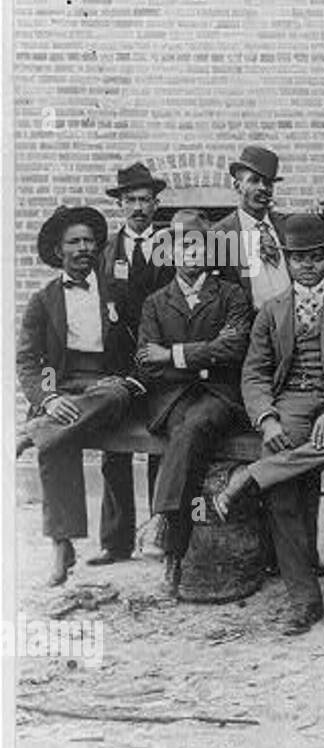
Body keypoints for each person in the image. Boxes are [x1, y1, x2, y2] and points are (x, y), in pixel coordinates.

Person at [213, 215, 324, 634]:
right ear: (287, 261)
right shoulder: (271, 310)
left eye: (315, 257)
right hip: (290, 404)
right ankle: (304, 600)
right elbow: (254, 373)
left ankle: (253, 476)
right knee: (284, 492)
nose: (307, 265)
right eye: (298, 258)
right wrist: (267, 420)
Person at [16, 206, 146, 586]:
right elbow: (29, 360)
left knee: (111, 397)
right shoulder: (43, 300)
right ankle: (62, 543)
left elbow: (143, 340)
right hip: (65, 384)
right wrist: (48, 396)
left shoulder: (118, 292)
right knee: (58, 442)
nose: (84, 248)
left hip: (109, 385)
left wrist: (133, 379)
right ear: (59, 251)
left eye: (89, 240)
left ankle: (36, 431)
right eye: (74, 241)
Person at [134, 211, 253, 596]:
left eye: (198, 244)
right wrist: (200, 358)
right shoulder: (156, 302)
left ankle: (165, 527)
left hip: (220, 395)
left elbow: (233, 347)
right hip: (172, 399)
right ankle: (175, 553)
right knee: (186, 432)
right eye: (182, 245)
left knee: (194, 427)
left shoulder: (231, 295)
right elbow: (145, 360)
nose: (190, 252)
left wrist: (173, 356)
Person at [91, 162, 174, 566]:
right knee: (115, 448)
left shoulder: (171, 247)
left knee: (160, 444)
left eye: (145, 200)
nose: (139, 208)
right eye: (131, 201)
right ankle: (116, 540)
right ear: (120, 205)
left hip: (160, 363)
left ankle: (160, 533)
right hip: (118, 364)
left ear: (156, 203)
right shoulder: (105, 252)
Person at [214, 144, 291, 311]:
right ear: (237, 186)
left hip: (291, 325)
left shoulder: (287, 227)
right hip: (250, 328)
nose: (263, 188)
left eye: (268, 183)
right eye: (254, 180)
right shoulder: (220, 235)